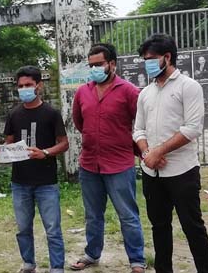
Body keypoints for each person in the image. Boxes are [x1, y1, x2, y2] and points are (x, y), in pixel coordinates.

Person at [133, 34, 208, 273]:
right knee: (159, 226)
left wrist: (160, 151)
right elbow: (138, 129)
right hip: (152, 172)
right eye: (144, 60)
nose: (147, 64)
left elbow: (192, 128)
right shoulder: (145, 93)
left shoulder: (188, 87)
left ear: (167, 57)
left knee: (192, 227)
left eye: (151, 59)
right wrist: (149, 154)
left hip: (182, 171)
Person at [70, 44, 145, 272]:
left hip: (119, 165)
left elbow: (141, 125)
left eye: (99, 64)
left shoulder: (129, 91)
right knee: (93, 215)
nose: (94, 68)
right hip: (90, 164)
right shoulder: (83, 91)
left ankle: (137, 260)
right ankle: (92, 254)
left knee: (128, 215)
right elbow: (79, 122)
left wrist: (137, 150)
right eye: (91, 65)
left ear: (112, 64)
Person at [0, 65, 69, 273]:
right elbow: (8, 143)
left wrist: (44, 152)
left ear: (39, 86)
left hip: (46, 182)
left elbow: (64, 143)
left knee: (52, 229)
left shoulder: (51, 113)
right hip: (20, 182)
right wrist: (0, 150)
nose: (24, 89)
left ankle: (57, 268)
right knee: (23, 228)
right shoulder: (13, 114)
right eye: (20, 86)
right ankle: (28, 264)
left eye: (28, 85)